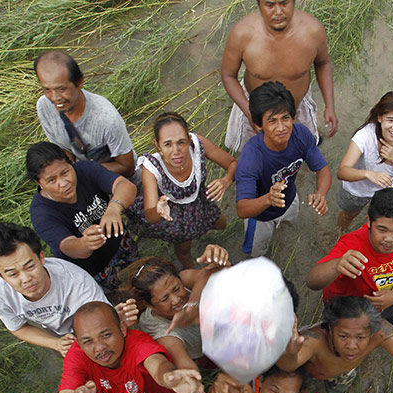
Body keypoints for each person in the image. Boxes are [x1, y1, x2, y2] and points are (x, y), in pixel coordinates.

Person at [0, 222, 137, 357]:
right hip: (56, 332)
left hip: (91, 326)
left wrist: (115, 320)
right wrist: (55, 343)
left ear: (41, 258)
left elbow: (103, 325)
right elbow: (18, 327)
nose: (26, 279)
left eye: (30, 267)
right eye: (13, 274)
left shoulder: (77, 282)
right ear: (0, 276)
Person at [56, 301, 205, 393]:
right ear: (78, 343)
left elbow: (158, 364)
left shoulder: (137, 342)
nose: (100, 347)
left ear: (122, 328)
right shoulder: (76, 355)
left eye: (106, 335)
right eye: (88, 341)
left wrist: (169, 377)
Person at [221, 0, 337, 152]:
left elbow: (323, 63)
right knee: (253, 154)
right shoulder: (242, 33)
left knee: (304, 147)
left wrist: (330, 106)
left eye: (284, 3)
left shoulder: (312, 30)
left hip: (298, 106)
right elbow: (228, 75)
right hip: (255, 108)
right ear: (259, 5)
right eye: (270, 5)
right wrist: (249, 112)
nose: (278, 12)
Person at [126, 113, 237, 268]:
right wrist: (159, 210)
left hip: (201, 201)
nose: (176, 151)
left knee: (221, 224)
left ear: (189, 140)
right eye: (168, 144)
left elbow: (232, 163)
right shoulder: (151, 167)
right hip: (174, 214)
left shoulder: (197, 145)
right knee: (184, 248)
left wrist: (226, 180)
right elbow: (150, 215)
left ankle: (201, 231)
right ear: (157, 145)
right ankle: (191, 272)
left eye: (181, 142)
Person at [235, 81, 332, 257]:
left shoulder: (301, 134)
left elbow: (322, 168)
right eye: (272, 121)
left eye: (285, 118)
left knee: (289, 224)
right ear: (258, 125)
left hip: (290, 198)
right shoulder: (251, 157)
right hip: (260, 217)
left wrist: (321, 193)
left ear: (293, 117)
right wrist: (268, 199)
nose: (281, 128)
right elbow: (242, 209)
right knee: (256, 254)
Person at [27, 141, 138, 293]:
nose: (63, 183)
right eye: (51, 180)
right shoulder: (41, 213)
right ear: (39, 183)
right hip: (91, 267)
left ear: (71, 163)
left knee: (137, 277)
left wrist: (114, 207)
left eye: (65, 172)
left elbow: (126, 186)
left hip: (119, 240)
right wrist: (86, 243)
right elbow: (68, 247)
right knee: (115, 295)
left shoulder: (86, 170)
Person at [307, 188, 393, 324]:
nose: (389, 239)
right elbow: (312, 282)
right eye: (382, 229)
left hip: (386, 303)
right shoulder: (351, 245)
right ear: (369, 221)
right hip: (345, 309)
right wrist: (336, 265)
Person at [34, 51, 138, 182]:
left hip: (119, 181)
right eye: (47, 90)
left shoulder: (106, 118)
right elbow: (61, 150)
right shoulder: (44, 106)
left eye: (62, 89)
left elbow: (127, 168)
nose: (55, 98)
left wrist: (81, 171)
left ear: (80, 82)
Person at [123, 245, 230, 372]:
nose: (176, 300)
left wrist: (219, 261)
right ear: (149, 305)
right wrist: (190, 382)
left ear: (180, 279)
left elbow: (212, 273)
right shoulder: (161, 331)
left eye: (177, 289)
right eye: (164, 299)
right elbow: (183, 363)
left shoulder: (184, 279)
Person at [336, 91, 393, 230]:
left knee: (386, 221)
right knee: (348, 215)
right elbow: (343, 172)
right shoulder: (365, 136)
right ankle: (339, 234)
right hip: (358, 191)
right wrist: (368, 174)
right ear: (380, 117)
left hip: (389, 188)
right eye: (390, 120)